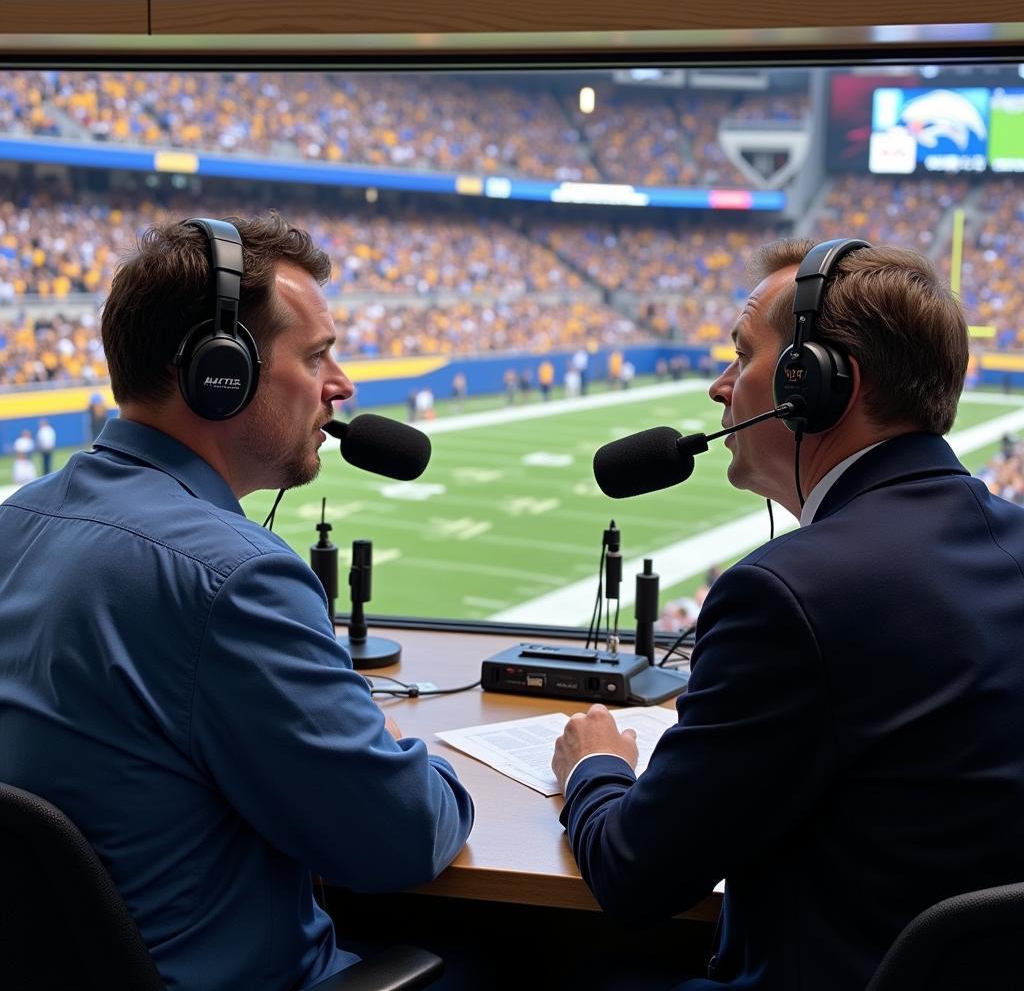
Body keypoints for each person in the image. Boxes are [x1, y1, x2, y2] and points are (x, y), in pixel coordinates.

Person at [0, 214, 474, 991]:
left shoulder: (16, 519)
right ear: (222, 372)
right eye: (317, 354)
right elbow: (402, 840)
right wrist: (425, 763)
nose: (343, 384)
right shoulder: (235, 577)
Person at [552, 237, 1024, 991]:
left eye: (743, 355)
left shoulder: (787, 594)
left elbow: (634, 874)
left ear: (817, 385)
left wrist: (596, 768)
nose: (720, 386)